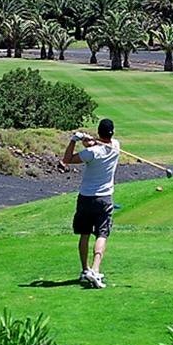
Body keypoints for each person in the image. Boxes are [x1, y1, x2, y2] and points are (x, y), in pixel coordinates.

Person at [62, 119, 120, 289]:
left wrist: (74, 140)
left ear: (98, 132)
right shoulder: (116, 145)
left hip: (86, 198)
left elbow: (67, 159)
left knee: (85, 234)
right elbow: (97, 144)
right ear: (112, 133)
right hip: (105, 198)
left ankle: (85, 270)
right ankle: (95, 269)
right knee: (102, 234)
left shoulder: (91, 153)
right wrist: (88, 141)